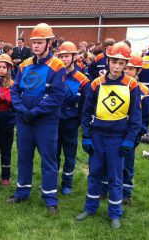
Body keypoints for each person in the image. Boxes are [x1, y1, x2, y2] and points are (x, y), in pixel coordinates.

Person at [76, 42, 142, 229]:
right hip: (97, 136)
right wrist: (86, 136)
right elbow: (86, 112)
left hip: (117, 139)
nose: (116, 66)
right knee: (94, 174)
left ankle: (115, 213)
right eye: (114, 61)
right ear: (108, 61)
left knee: (115, 177)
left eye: (121, 63)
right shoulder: (96, 83)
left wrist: (130, 139)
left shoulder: (131, 85)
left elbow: (136, 118)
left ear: (126, 64)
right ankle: (90, 208)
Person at [5, 23, 66, 214]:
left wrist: (35, 111)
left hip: (45, 121)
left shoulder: (58, 66)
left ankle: (50, 199)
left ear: (49, 42)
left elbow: (57, 96)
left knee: (48, 160)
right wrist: (23, 110)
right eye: (34, 43)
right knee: (24, 157)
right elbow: (15, 91)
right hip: (24, 119)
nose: (36, 46)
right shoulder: (24, 64)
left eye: (40, 42)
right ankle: (21, 193)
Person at [55, 41, 90, 195]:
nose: (64, 59)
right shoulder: (54, 76)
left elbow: (85, 105)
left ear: (74, 57)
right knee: (52, 155)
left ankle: (67, 183)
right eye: (61, 56)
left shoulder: (82, 79)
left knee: (69, 156)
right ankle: (51, 182)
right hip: (53, 123)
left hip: (71, 124)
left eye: (67, 56)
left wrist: (78, 122)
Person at [121, 53, 149, 204]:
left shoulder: (144, 91)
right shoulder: (116, 86)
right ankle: (104, 189)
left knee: (127, 164)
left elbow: (145, 117)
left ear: (138, 71)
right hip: (115, 133)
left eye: (131, 69)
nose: (127, 71)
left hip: (132, 135)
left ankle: (125, 193)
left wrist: (138, 135)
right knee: (108, 163)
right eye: (125, 68)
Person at [0, 54, 15, 186]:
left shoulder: (13, 84)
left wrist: (11, 121)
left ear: (9, 68)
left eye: (4, 67)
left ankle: (5, 176)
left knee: (5, 150)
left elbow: (15, 105)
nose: (1, 69)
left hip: (7, 121)